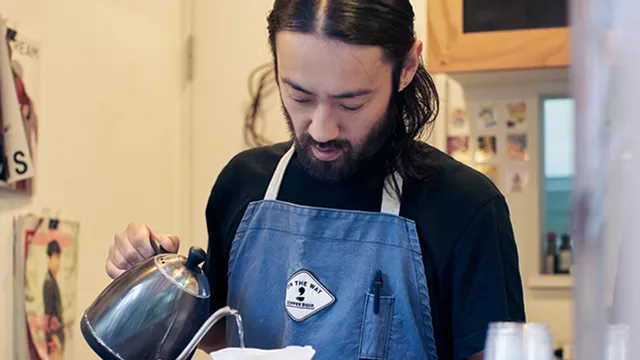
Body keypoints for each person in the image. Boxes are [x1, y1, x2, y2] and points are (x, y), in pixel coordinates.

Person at [105, 1, 525, 359]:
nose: (322, 129)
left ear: (407, 67)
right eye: (300, 96)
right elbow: (223, 337)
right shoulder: (243, 184)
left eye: (352, 102)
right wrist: (155, 288)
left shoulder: (465, 208)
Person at [43, 240, 65, 358]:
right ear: (49, 259)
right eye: (56, 257)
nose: (58, 262)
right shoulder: (49, 283)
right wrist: (56, 341)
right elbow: (49, 315)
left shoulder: (52, 281)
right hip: (54, 342)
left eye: (59, 258)